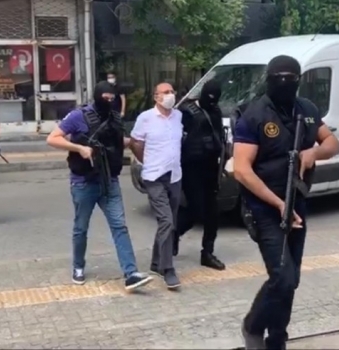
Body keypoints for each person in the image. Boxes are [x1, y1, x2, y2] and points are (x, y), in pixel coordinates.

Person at [232, 55, 339, 349]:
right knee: (282, 277)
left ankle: (277, 339)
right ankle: (253, 326)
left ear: (298, 81)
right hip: (264, 208)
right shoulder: (254, 115)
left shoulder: (306, 110)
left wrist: (314, 153)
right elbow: (241, 170)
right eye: (278, 78)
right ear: (269, 80)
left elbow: (333, 143)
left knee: (291, 280)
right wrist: (279, 203)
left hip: (298, 204)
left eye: (290, 79)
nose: (284, 84)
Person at [46, 81, 152, 291]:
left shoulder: (115, 118)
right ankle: (78, 266)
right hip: (84, 183)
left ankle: (131, 273)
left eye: (112, 99)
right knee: (81, 227)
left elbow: (116, 142)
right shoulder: (78, 116)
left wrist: (132, 142)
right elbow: (52, 139)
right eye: (105, 98)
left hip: (109, 181)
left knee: (119, 226)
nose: (109, 102)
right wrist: (79, 148)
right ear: (97, 96)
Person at [129, 82, 183, 290]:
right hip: (154, 177)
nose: (170, 95)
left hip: (174, 175)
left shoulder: (178, 116)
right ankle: (168, 268)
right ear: (156, 97)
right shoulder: (146, 118)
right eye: (165, 92)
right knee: (166, 220)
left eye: (172, 91)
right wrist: (147, 161)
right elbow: (135, 142)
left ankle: (156, 262)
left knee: (169, 222)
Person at [175, 80, 226, 270]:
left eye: (215, 99)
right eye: (209, 97)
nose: (212, 101)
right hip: (191, 168)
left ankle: (208, 253)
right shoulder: (187, 113)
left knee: (213, 213)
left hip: (211, 167)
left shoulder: (216, 111)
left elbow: (219, 138)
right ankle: (173, 234)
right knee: (196, 210)